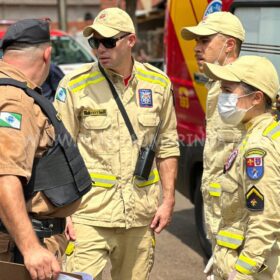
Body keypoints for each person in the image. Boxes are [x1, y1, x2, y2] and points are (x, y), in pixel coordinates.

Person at [54, 7, 179, 280]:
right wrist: (63, 213)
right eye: (95, 42)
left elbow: (168, 145)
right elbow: (59, 152)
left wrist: (168, 199)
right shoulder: (74, 86)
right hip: (88, 216)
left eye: (109, 41)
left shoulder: (158, 84)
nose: (100, 48)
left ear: (131, 41)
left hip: (139, 215)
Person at [0, 19, 91, 280]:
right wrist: (30, 248)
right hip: (20, 248)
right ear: (47, 54)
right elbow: (5, 176)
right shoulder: (15, 100)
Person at [203, 55, 280, 279]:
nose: (222, 98)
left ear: (256, 98)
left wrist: (241, 272)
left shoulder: (258, 148)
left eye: (228, 90)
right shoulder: (256, 133)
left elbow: (265, 219)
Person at [180, 10, 245, 269]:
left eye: (205, 41)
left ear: (229, 45)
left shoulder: (244, 90)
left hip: (243, 221)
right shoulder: (218, 86)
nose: (197, 48)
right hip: (221, 219)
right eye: (197, 42)